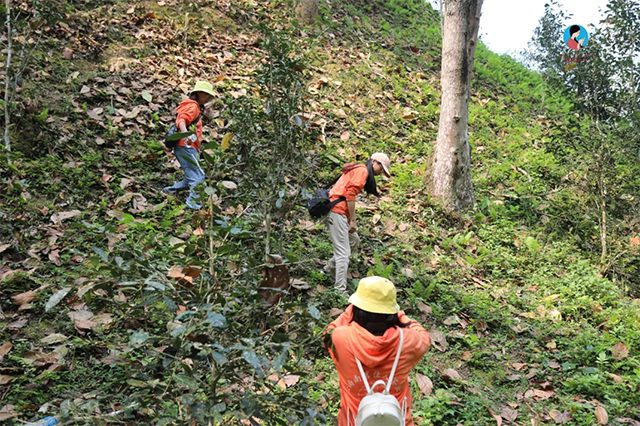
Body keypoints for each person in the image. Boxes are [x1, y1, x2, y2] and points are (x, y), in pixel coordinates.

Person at [324, 276, 431, 426]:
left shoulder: (339, 338)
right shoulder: (407, 340)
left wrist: (350, 311)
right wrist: (398, 313)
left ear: (356, 309)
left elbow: (328, 331)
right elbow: (424, 335)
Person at [324, 152, 391, 296]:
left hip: (339, 211)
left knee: (354, 240)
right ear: (374, 162)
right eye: (381, 169)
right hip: (337, 211)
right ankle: (339, 291)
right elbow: (350, 194)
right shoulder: (363, 171)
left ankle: (329, 268)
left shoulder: (359, 169)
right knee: (343, 253)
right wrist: (352, 220)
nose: (380, 173)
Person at [162, 81, 216, 210]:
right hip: (186, 146)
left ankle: (170, 191)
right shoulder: (193, 106)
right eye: (206, 95)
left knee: (195, 175)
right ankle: (193, 205)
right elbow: (181, 120)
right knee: (197, 178)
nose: (208, 98)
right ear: (199, 94)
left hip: (187, 147)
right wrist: (185, 135)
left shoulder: (193, 106)